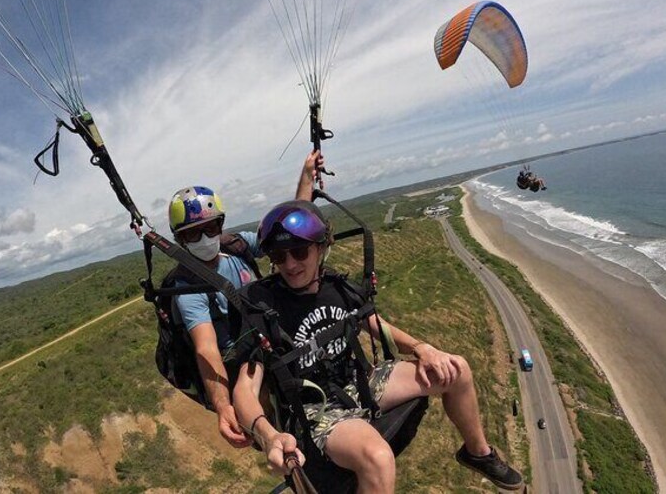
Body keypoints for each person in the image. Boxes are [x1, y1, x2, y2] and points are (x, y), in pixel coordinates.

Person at [231, 200, 524, 492]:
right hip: (318, 411)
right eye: (280, 257)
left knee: (456, 368)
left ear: (321, 248)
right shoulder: (264, 305)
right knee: (378, 458)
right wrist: (268, 436)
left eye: (299, 251)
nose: (291, 264)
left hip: (361, 382)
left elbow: (369, 321)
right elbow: (245, 388)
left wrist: (421, 347)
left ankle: (478, 452)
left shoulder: (334, 285)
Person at [167, 151, 323, 448]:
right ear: (180, 241)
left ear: (221, 225)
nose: (204, 240)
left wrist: (306, 177)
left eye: (210, 229)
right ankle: (284, 449)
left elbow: (288, 230)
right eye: (192, 235)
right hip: (243, 357)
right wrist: (224, 406)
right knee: (258, 402)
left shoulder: (237, 247)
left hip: (271, 330)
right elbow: (207, 349)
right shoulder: (187, 287)